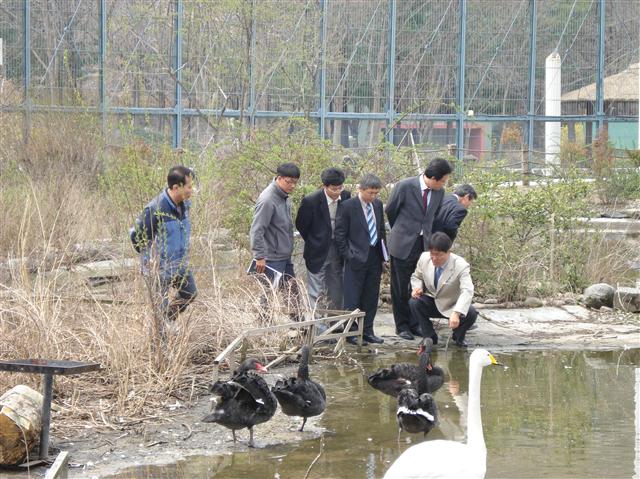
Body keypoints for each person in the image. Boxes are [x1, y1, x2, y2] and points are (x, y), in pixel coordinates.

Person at [385, 158, 453, 341]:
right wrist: (401, 230)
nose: (444, 184)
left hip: (424, 244)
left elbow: (435, 216)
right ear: (433, 177)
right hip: (402, 243)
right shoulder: (405, 186)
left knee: (419, 285)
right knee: (400, 286)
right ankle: (402, 326)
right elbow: (391, 210)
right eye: (443, 180)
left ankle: (416, 324)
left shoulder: (439, 193)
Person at [130, 165, 197, 329]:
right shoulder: (155, 209)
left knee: (189, 293)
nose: (192, 190)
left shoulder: (184, 206)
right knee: (158, 312)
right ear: (176, 187)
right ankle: (161, 349)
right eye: (189, 186)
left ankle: (169, 319)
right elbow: (137, 239)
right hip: (159, 269)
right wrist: (153, 262)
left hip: (179, 264)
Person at [334, 174, 386, 345]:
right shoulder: (348, 206)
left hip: (374, 256)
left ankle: (368, 330)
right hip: (355, 256)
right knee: (352, 297)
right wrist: (349, 255)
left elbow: (380, 230)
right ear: (361, 189)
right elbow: (340, 234)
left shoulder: (377, 205)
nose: (373, 196)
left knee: (371, 296)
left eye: (376, 193)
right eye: (370, 193)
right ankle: (351, 332)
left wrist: (383, 255)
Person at [295, 167, 351, 313]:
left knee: (336, 290)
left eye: (340, 188)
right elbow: (301, 225)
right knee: (316, 292)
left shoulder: (346, 196)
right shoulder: (311, 201)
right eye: (334, 189)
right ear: (325, 186)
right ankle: (319, 330)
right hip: (317, 250)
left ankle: (335, 327)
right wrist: (315, 240)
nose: (337, 192)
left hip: (337, 250)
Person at [408, 232, 477, 348]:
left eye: (438, 255)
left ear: (449, 252)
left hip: (452, 304)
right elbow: (416, 276)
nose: (434, 258)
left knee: (471, 313)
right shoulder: (424, 258)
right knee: (414, 302)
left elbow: (467, 290)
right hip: (432, 301)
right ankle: (429, 336)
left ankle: (458, 336)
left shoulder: (461, 265)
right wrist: (417, 287)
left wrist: (456, 312)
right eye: (432, 254)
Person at [249, 163, 301, 317]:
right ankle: (264, 329)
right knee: (268, 295)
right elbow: (257, 229)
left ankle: (299, 325)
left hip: (284, 256)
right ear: (279, 178)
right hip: (271, 257)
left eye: (295, 182)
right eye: (288, 181)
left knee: (292, 292)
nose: (292, 186)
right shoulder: (268, 199)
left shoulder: (284, 197)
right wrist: (259, 256)